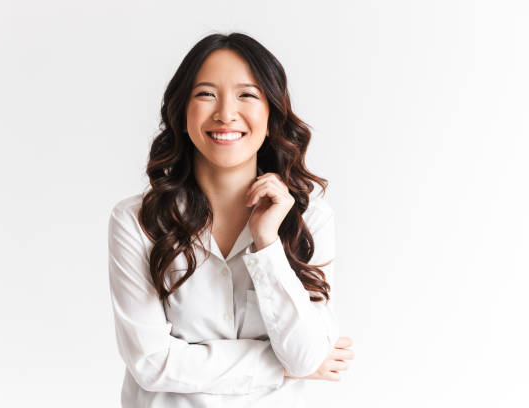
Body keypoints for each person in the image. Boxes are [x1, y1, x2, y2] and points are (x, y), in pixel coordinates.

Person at [107, 32, 355, 408]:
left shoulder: (310, 219)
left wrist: (268, 243)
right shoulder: (136, 221)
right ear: (181, 111)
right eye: (206, 94)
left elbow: (306, 356)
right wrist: (281, 367)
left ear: (272, 113)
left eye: (247, 95)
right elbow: (150, 362)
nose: (225, 113)